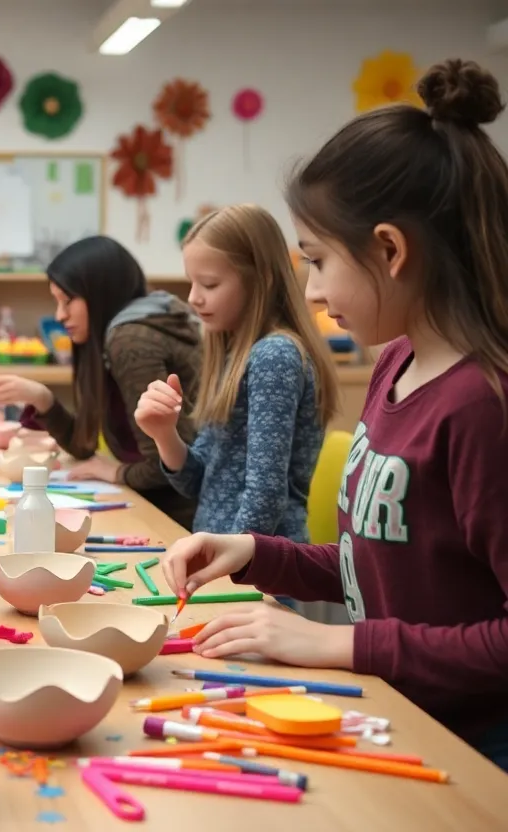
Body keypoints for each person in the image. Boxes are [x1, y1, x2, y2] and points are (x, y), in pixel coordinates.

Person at [160, 59, 508, 772]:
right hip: (397, 713)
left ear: (390, 249)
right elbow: (382, 561)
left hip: (473, 751)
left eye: (317, 260)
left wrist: (341, 644)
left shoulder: (481, 407)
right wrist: (260, 554)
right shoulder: (394, 365)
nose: (312, 291)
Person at [135, 205, 337, 540]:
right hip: (231, 565)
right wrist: (164, 434)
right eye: (192, 283)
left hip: (258, 575)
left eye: (210, 284)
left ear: (262, 280)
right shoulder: (233, 355)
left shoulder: (275, 356)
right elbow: (197, 482)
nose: (193, 298)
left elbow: (265, 497)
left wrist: (225, 569)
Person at [0, 236, 202, 529]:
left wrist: (117, 473)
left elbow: (170, 469)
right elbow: (83, 447)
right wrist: (43, 399)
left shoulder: (130, 341)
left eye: (68, 301)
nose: (60, 315)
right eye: (56, 302)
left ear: (101, 293)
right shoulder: (120, 331)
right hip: (158, 507)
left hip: (176, 518)